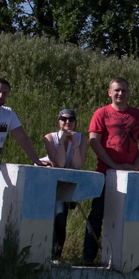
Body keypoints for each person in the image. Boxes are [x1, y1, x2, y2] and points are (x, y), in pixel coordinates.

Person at [84, 77, 139, 264]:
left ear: (128, 92)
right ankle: (89, 254)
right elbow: (93, 141)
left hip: (130, 174)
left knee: (131, 216)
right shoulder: (101, 113)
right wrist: (112, 164)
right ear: (109, 92)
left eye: (123, 90)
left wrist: (136, 165)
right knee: (97, 213)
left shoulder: (137, 115)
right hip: (105, 172)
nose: (120, 93)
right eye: (116, 90)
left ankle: (134, 255)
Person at [44, 108, 87, 259]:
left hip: (64, 182)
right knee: (50, 217)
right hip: (47, 180)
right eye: (64, 119)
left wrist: (74, 143)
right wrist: (62, 142)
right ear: (59, 121)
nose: (68, 122)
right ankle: (44, 252)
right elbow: (60, 163)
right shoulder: (50, 138)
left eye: (71, 119)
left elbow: (77, 164)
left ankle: (56, 255)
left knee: (61, 218)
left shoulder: (81, 138)